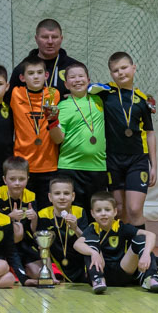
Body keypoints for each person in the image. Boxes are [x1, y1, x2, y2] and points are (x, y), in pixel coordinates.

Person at [89, 52, 157, 229]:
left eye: (124, 68)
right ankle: (122, 246)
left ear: (133, 68)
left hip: (137, 160)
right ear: (111, 73)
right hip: (113, 159)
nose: (120, 72)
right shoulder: (104, 92)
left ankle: (140, 246)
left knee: (134, 209)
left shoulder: (143, 100)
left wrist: (154, 165)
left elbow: (149, 133)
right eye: (115, 70)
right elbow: (82, 89)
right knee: (118, 210)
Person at [74, 191, 158, 294]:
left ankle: (151, 278)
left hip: (123, 271)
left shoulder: (121, 227)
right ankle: (97, 279)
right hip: (102, 271)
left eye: (107, 210)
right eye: (99, 210)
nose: (103, 213)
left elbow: (151, 235)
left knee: (140, 239)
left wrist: (146, 254)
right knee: (90, 243)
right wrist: (93, 253)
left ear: (115, 212)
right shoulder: (92, 228)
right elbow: (77, 244)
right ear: (92, 213)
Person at [53, 63, 107, 212]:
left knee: (96, 213)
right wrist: (52, 122)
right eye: (72, 77)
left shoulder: (99, 100)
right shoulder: (62, 106)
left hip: (97, 167)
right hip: (70, 168)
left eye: (81, 76)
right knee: (73, 214)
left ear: (88, 80)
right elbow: (58, 139)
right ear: (66, 84)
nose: (77, 80)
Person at [10, 58, 62, 208]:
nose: (36, 77)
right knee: (25, 211)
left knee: (46, 210)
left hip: (49, 164)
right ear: (22, 77)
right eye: (31, 73)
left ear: (46, 75)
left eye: (39, 72)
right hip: (23, 165)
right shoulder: (16, 93)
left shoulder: (53, 94)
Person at [24, 176, 88, 285]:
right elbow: (43, 246)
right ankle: (54, 275)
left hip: (78, 263)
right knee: (34, 268)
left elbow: (87, 241)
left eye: (66, 193)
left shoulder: (79, 212)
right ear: (50, 197)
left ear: (73, 196)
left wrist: (75, 228)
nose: (62, 197)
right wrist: (51, 276)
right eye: (57, 193)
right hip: (55, 263)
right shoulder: (43, 215)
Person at [10, 18, 80, 95]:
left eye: (54, 37)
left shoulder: (75, 67)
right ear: (36, 39)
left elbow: (86, 95)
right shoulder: (22, 69)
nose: (50, 41)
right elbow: (10, 98)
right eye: (45, 37)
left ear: (61, 39)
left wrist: (78, 97)